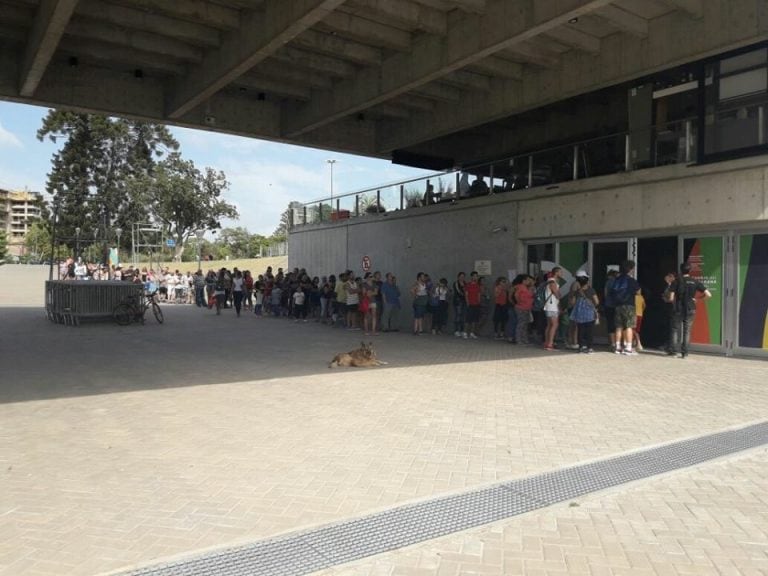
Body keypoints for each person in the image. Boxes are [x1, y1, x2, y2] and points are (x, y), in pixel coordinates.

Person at [667, 262, 712, 358]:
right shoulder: (694, 281)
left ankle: (673, 351)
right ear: (690, 270)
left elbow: (671, 298)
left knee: (675, 329)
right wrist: (698, 299)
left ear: (680, 270)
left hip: (679, 308)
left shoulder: (676, 281)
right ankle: (685, 353)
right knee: (687, 330)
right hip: (690, 308)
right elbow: (708, 294)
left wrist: (674, 302)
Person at [609, 260, 641, 355]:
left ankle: (617, 347)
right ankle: (628, 348)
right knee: (629, 326)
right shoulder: (631, 280)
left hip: (618, 306)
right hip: (629, 305)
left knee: (618, 327)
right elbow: (638, 292)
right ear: (631, 269)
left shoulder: (617, 280)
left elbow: (611, 293)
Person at [569, 271, 599, 353]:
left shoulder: (576, 292)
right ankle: (590, 347)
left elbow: (572, 303)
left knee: (580, 330)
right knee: (590, 331)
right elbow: (597, 302)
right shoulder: (591, 290)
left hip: (579, 314)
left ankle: (581, 347)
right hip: (590, 314)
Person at [543, 267, 562, 351]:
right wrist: (559, 294)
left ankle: (547, 343)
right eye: (561, 272)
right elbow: (557, 294)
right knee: (554, 324)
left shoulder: (549, 281)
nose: (562, 274)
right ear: (556, 272)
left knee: (549, 325)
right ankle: (550, 344)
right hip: (552, 306)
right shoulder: (552, 282)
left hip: (548, 306)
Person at [513, 275, 534, 345]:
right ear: (523, 281)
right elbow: (516, 295)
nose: (529, 281)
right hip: (521, 308)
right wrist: (520, 302)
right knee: (521, 324)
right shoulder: (521, 287)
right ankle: (519, 339)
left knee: (525, 324)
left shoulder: (526, 287)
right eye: (527, 280)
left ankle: (524, 339)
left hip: (527, 307)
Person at [464, 271, 482, 339]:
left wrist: (479, 302)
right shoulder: (468, 285)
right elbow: (466, 294)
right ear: (471, 277)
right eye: (474, 276)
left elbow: (479, 295)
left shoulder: (477, 285)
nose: (475, 277)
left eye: (476, 276)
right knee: (468, 319)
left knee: (475, 320)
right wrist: (467, 303)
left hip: (476, 304)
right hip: (470, 304)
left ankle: (472, 333)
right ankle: (465, 332)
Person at [453, 272, 467, 338]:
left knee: (463, 316)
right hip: (458, 301)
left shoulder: (465, 283)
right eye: (461, 276)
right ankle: (456, 330)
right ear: (458, 277)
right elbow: (458, 291)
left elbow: (467, 291)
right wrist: (464, 294)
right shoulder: (456, 283)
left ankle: (462, 330)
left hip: (464, 301)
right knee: (458, 315)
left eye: (463, 276)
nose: (462, 277)